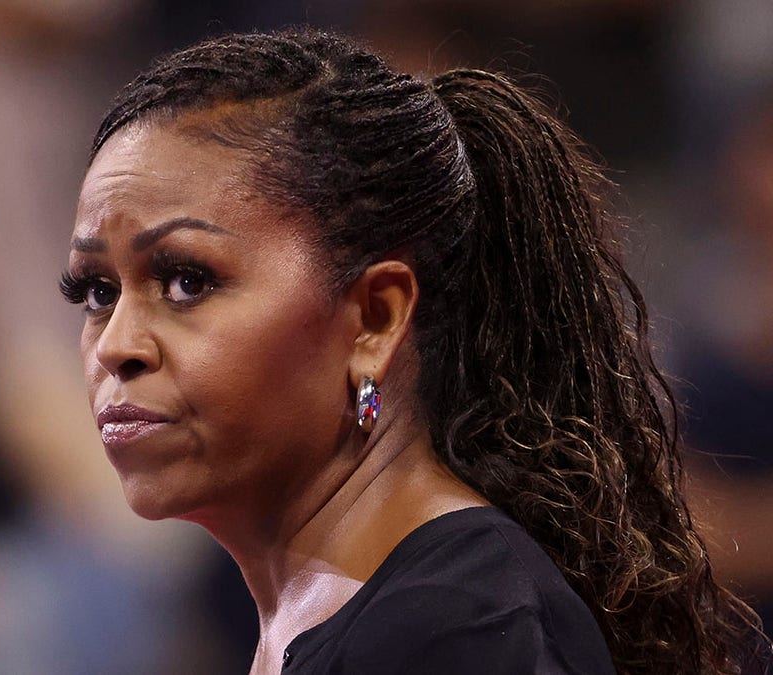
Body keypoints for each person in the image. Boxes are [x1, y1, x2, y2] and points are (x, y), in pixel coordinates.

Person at [60, 28, 766, 675]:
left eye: (187, 279)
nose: (117, 344)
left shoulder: (455, 628)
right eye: (95, 291)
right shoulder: (367, 612)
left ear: (374, 317)